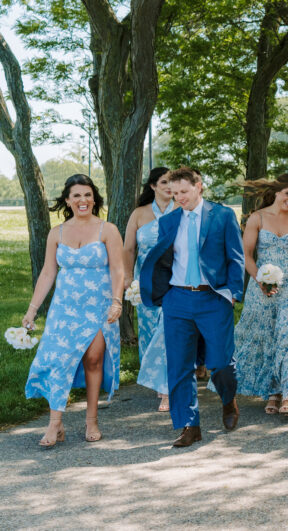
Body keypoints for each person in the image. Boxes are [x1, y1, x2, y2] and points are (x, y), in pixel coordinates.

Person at [139, 167, 245, 448]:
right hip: (178, 300)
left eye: (184, 192)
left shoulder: (222, 216)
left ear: (199, 186)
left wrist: (233, 292)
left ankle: (228, 400)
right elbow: (162, 259)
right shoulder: (170, 220)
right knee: (179, 366)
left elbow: (236, 257)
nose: (179, 198)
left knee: (221, 363)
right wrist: (163, 294)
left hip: (214, 297)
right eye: (174, 194)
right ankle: (189, 425)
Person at [22, 175, 124, 447]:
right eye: (77, 195)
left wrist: (117, 301)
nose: (83, 200)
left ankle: (92, 420)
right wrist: (32, 310)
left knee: (93, 359)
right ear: (67, 200)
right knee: (58, 361)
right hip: (64, 310)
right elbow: (47, 272)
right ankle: (55, 424)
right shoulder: (57, 233)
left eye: (88, 195)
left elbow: (117, 268)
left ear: (94, 199)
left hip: (99, 307)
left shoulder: (108, 230)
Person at [234, 174, 288, 417]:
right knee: (269, 336)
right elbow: (246, 256)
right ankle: (272, 392)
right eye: (287, 194)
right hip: (262, 287)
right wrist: (260, 280)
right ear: (276, 193)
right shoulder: (258, 217)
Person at [123, 167, 175, 412]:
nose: (169, 187)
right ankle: (158, 378)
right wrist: (128, 278)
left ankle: (167, 389)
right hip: (146, 284)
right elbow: (128, 250)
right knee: (150, 333)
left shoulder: (182, 210)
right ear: (153, 186)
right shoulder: (139, 214)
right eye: (164, 182)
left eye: (172, 182)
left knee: (169, 331)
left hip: (176, 283)